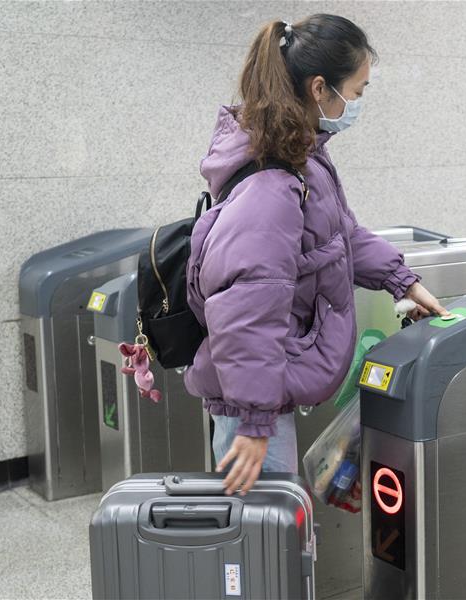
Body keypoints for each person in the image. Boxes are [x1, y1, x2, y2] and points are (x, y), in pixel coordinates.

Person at [183, 14, 449, 496]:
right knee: (265, 546)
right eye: (358, 91)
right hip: (252, 411)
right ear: (320, 88)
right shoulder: (273, 186)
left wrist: (401, 280)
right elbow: (246, 309)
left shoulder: (299, 158)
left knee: (276, 538)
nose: (358, 104)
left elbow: (338, 235)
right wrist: (255, 423)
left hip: (261, 399)